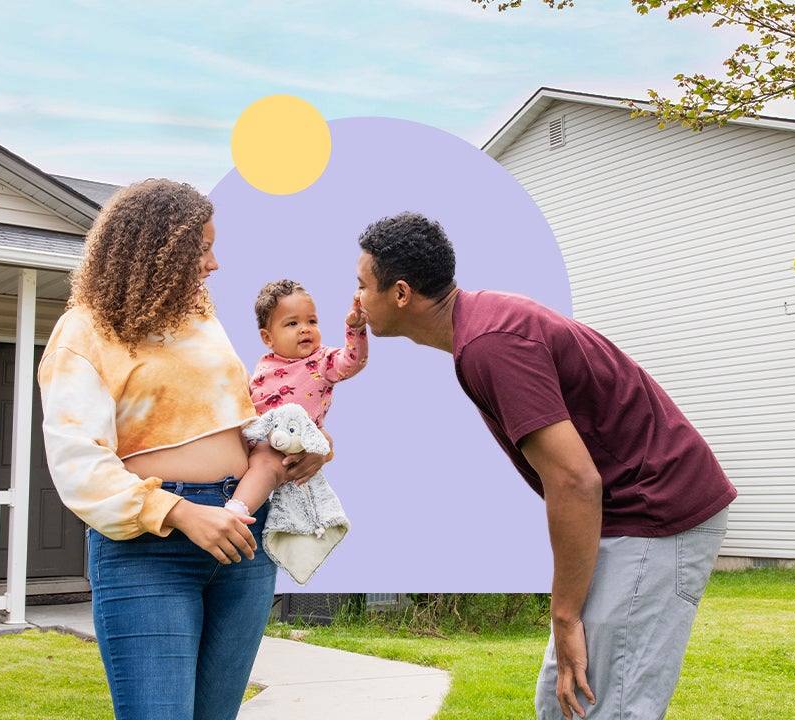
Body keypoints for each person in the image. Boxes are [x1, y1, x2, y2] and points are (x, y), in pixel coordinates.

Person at [353, 212, 737, 720]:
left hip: (656, 513)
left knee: (608, 706)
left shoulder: (492, 343)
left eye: (361, 285)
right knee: (563, 703)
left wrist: (565, 614)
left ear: (400, 293)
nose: (356, 299)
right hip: (623, 512)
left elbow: (575, 481)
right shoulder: (481, 326)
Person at [37, 179, 324, 720]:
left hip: (242, 540)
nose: (214, 263)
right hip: (151, 549)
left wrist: (294, 450)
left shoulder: (202, 324)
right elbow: (78, 461)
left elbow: (237, 420)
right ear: (155, 251)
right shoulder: (86, 331)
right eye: (201, 249)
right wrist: (182, 512)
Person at [223, 279, 368, 517]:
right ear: (268, 338)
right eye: (292, 323)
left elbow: (353, 361)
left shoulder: (323, 360)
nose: (305, 328)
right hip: (254, 435)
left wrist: (355, 330)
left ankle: (236, 511)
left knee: (266, 467)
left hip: (284, 442)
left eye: (312, 321)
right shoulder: (265, 363)